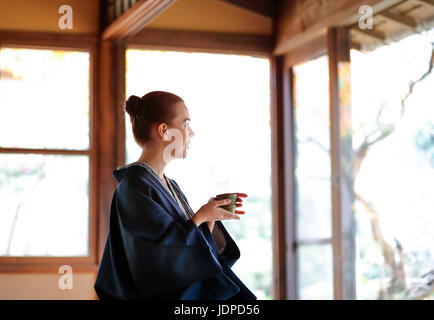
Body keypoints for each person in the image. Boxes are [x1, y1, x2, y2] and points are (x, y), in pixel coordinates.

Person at [94, 90, 257, 300]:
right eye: (186, 124)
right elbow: (158, 258)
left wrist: (209, 218)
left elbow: (187, 249)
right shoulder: (133, 186)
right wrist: (199, 217)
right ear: (164, 131)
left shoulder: (169, 185)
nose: (192, 133)